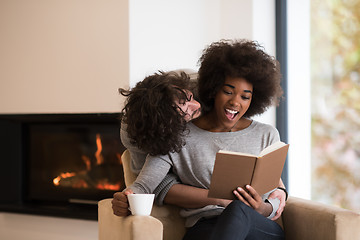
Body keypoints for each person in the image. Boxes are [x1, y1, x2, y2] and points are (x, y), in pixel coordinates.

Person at [117, 39, 287, 240]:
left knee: (238, 210)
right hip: (206, 226)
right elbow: (144, 185)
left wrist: (264, 207)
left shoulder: (266, 134)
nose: (235, 101)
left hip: (258, 226)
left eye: (245, 96)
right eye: (228, 92)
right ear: (214, 90)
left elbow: (276, 191)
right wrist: (126, 196)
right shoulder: (174, 137)